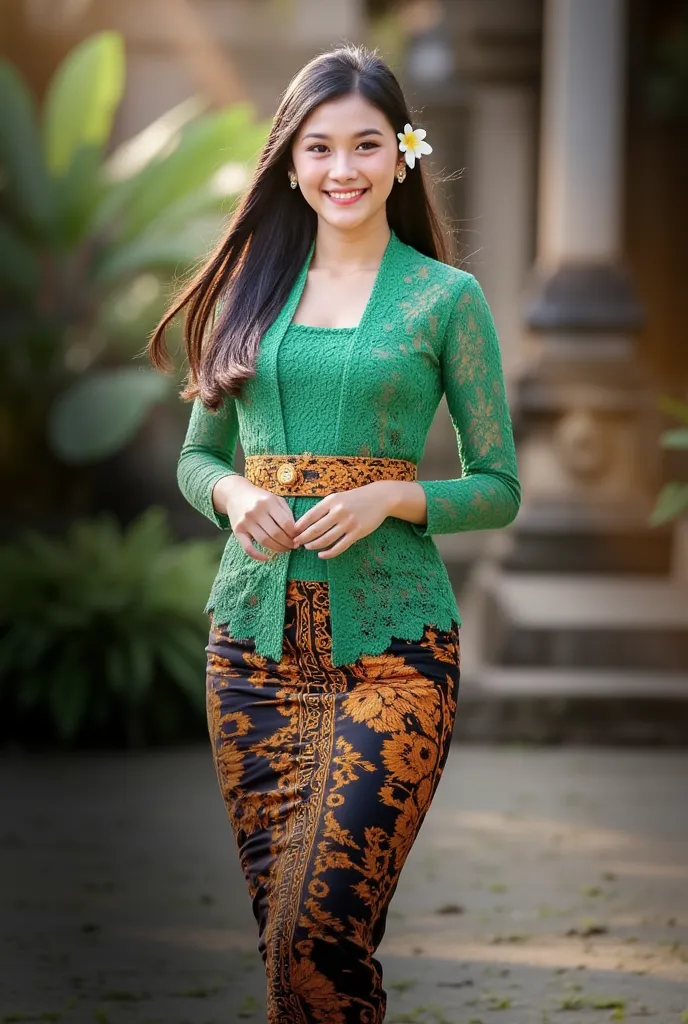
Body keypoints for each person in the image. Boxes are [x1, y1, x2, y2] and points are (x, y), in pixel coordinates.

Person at [149, 42, 520, 1024]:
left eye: (365, 145)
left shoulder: (447, 301)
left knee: (320, 931)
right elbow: (196, 458)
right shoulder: (251, 291)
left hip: (394, 655)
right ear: (291, 162)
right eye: (318, 148)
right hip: (250, 655)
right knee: (293, 944)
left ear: (401, 154)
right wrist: (233, 497)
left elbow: (498, 487)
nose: (342, 168)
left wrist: (395, 497)